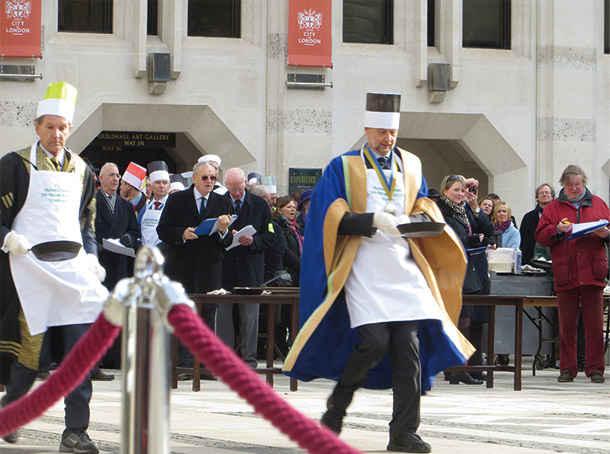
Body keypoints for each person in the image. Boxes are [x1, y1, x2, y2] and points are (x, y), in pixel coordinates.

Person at [283, 93, 473, 453]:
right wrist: (370, 220)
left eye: (393, 132)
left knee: (408, 349)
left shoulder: (412, 165)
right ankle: (336, 409)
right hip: (361, 266)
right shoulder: (343, 166)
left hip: (402, 267)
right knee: (374, 342)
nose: (388, 139)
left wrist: (414, 221)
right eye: (382, 132)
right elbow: (325, 214)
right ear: (367, 129)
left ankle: (404, 432)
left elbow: (425, 208)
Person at [0, 82, 108, 453]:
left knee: (81, 353)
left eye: (63, 127)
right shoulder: (14, 164)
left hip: (73, 268)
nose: (57, 134)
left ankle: (75, 431)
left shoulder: (83, 170)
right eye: (50, 126)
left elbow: (87, 224)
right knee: (31, 354)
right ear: (37, 127)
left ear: (70, 129)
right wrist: (7, 237)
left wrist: (92, 257)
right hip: (29, 267)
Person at [535, 164, 609, 384]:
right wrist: (557, 229)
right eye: (570, 185)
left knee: (594, 324)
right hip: (566, 271)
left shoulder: (599, 204)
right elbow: (540, 236)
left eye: (578, 184)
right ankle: (567, 368)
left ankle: (595, 369)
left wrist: (606, 234)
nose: (575, 188)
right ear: (563, 185)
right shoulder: (553, 208)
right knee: (566, 325)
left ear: (584, 183)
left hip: (592, 271)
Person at [157, 160, 233, 328]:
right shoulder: (176, 199)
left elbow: (227, 242)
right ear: (194, 178)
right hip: (181, 268)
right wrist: (182, 234)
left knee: (206, 322)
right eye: (205, 177)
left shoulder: (223, 202)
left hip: (209, 272)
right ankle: (181, 355)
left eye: (213, 177)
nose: (209, 181)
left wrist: (223, 230)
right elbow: (162, 230)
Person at [436, 175, 491, 385]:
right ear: (445, 192)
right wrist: (469, 240)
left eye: (462, 190)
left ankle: (461, 367)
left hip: (467, 270)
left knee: (467, 320)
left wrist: (474, 205)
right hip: (451, 271)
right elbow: (446, 238)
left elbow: (486, 229)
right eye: (456, 190)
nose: (460, 194)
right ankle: (455, 367)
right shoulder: (442, 210)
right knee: (458, 321)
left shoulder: (463, 210)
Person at [219, 167, 275, 368]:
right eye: (232, 189)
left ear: (245, 183)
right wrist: (225, 234)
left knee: (249, 317)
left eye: (240, 188)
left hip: (250, 268)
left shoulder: (259, 205)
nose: (236, 193)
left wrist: (253, 241)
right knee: (223, 315)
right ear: (226, 185)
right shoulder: (220, 203)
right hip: (225, 269)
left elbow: (270, 236)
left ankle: (249, 360)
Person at [95, 163, 140, 290]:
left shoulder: (126, 206)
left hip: (120, 264)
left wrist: (130, 238)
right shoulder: (91, 203)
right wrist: (96, 246)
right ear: (101, 178)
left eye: (117, 175)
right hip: (100, 261)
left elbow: (134, 231)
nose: (115, 179)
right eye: (111, 175)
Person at [520, 184, 555, 265]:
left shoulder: (558, 216)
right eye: (541, 193)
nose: (544, 194)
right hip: (530, 259)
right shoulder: (528, 217)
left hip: (552, 259)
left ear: (552, 196)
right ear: (537, 197)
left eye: (547, 192)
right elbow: (522, 239)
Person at [138, 161, 170, 247]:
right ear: (151, 187)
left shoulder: (174, 205)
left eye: (164, 183)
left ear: (169, 186)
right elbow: (137, 229)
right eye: (158, 182)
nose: (161, 185)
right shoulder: (146, 207)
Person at [273, 196, 303, 286]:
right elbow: (285, 250)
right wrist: (301, 265)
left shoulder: (293, 228)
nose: (292, 209)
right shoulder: (279, 226)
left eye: (294, 207)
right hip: (286, 272)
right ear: (279, 209)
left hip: (296, 271)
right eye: (289, 207)